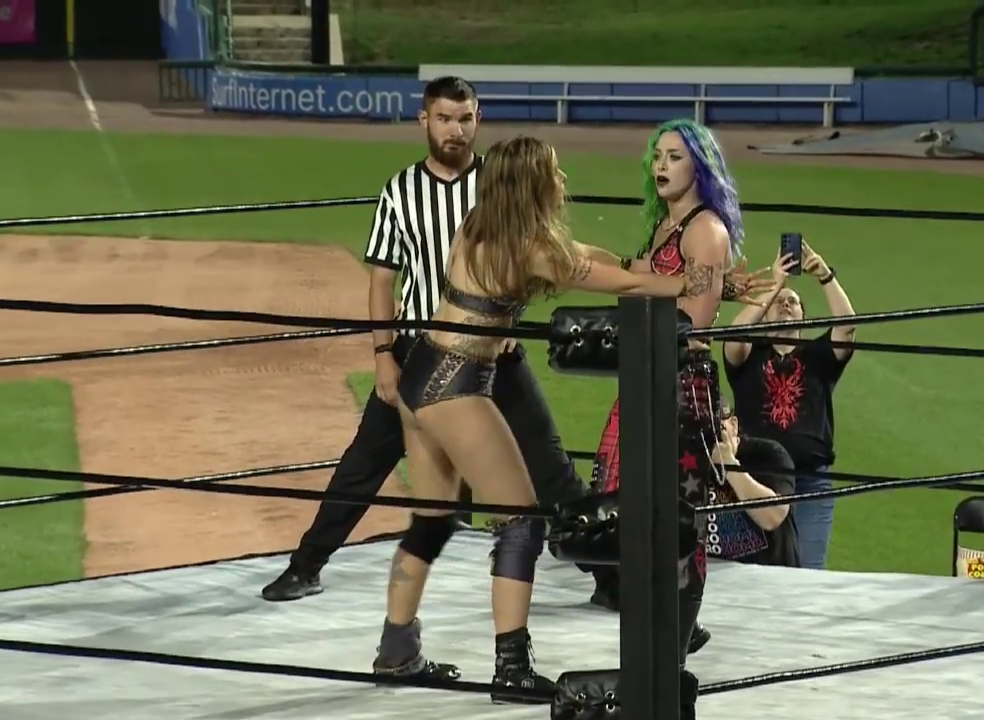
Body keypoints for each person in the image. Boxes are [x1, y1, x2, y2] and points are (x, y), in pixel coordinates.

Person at [370, 135, 703, 702]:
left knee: (431, 522)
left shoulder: (482, 226)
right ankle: (511, 668)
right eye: (554, 172)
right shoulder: (529, 250)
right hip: (456, 382)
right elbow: (618, 282)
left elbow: (583, 254)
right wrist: (685, 283)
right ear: (532, 185)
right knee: (520, 520)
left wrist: (633, 263)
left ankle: (396, 650)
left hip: (421, 371)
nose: (563, 180)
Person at [260, 76, 587, 603]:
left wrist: (509, 322)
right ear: (424, 120)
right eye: (444, 118)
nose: (455, 130)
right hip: (420, 352)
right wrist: (382, 355)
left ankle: (610, 577)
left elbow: (538, 253)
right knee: (363, 464)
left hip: (494, 352)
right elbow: (382, 281)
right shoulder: (400, 191)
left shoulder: (500, 183)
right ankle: (306, 565)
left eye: (465, 118)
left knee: (551, 468)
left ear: (478, 119)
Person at [581, 118, 758, 691]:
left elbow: (694, 319)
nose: (661, 166)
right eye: (657, 156)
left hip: (680, 385)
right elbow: (655, 281)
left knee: (679, 523)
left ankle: (673, 654)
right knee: (627, 507)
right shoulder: (666, 225)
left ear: (699, 167)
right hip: (646, 375)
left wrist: (635, 287)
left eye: (675, 156)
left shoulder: (704, 229)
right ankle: (658, 640)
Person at [722, 239, 856, 570]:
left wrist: (825, 275)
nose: (785, 304)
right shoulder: (748, 356)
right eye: (779, 302)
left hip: (810, 484)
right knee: (750, 574)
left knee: (807, 578)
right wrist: (775, 283)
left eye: (793, 302)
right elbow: (734, 334)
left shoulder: (818, 357)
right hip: (757, 480)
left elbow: (847, 325)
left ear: (803, 316)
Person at [706, 411, 801, 568]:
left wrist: (729, 465)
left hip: (773, 576)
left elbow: (774, 516)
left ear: (734, 425)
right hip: (715, 577)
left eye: (718, 428)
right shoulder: (686, 462)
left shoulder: (767, 455)